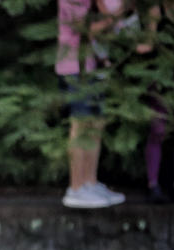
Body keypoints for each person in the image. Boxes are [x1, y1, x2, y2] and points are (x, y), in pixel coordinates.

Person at [56, 0, 126, 209]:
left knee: (96, 123)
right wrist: (115, 16)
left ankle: (90, 182)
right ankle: (76, 187)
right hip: (76, 66)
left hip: (95, 65)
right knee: (81, 124)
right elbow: (86, 29)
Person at [142, 0, 174, 203]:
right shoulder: (157, 9)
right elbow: (149, 43)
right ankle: (153, 184)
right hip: (161, 77)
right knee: (158, 130)